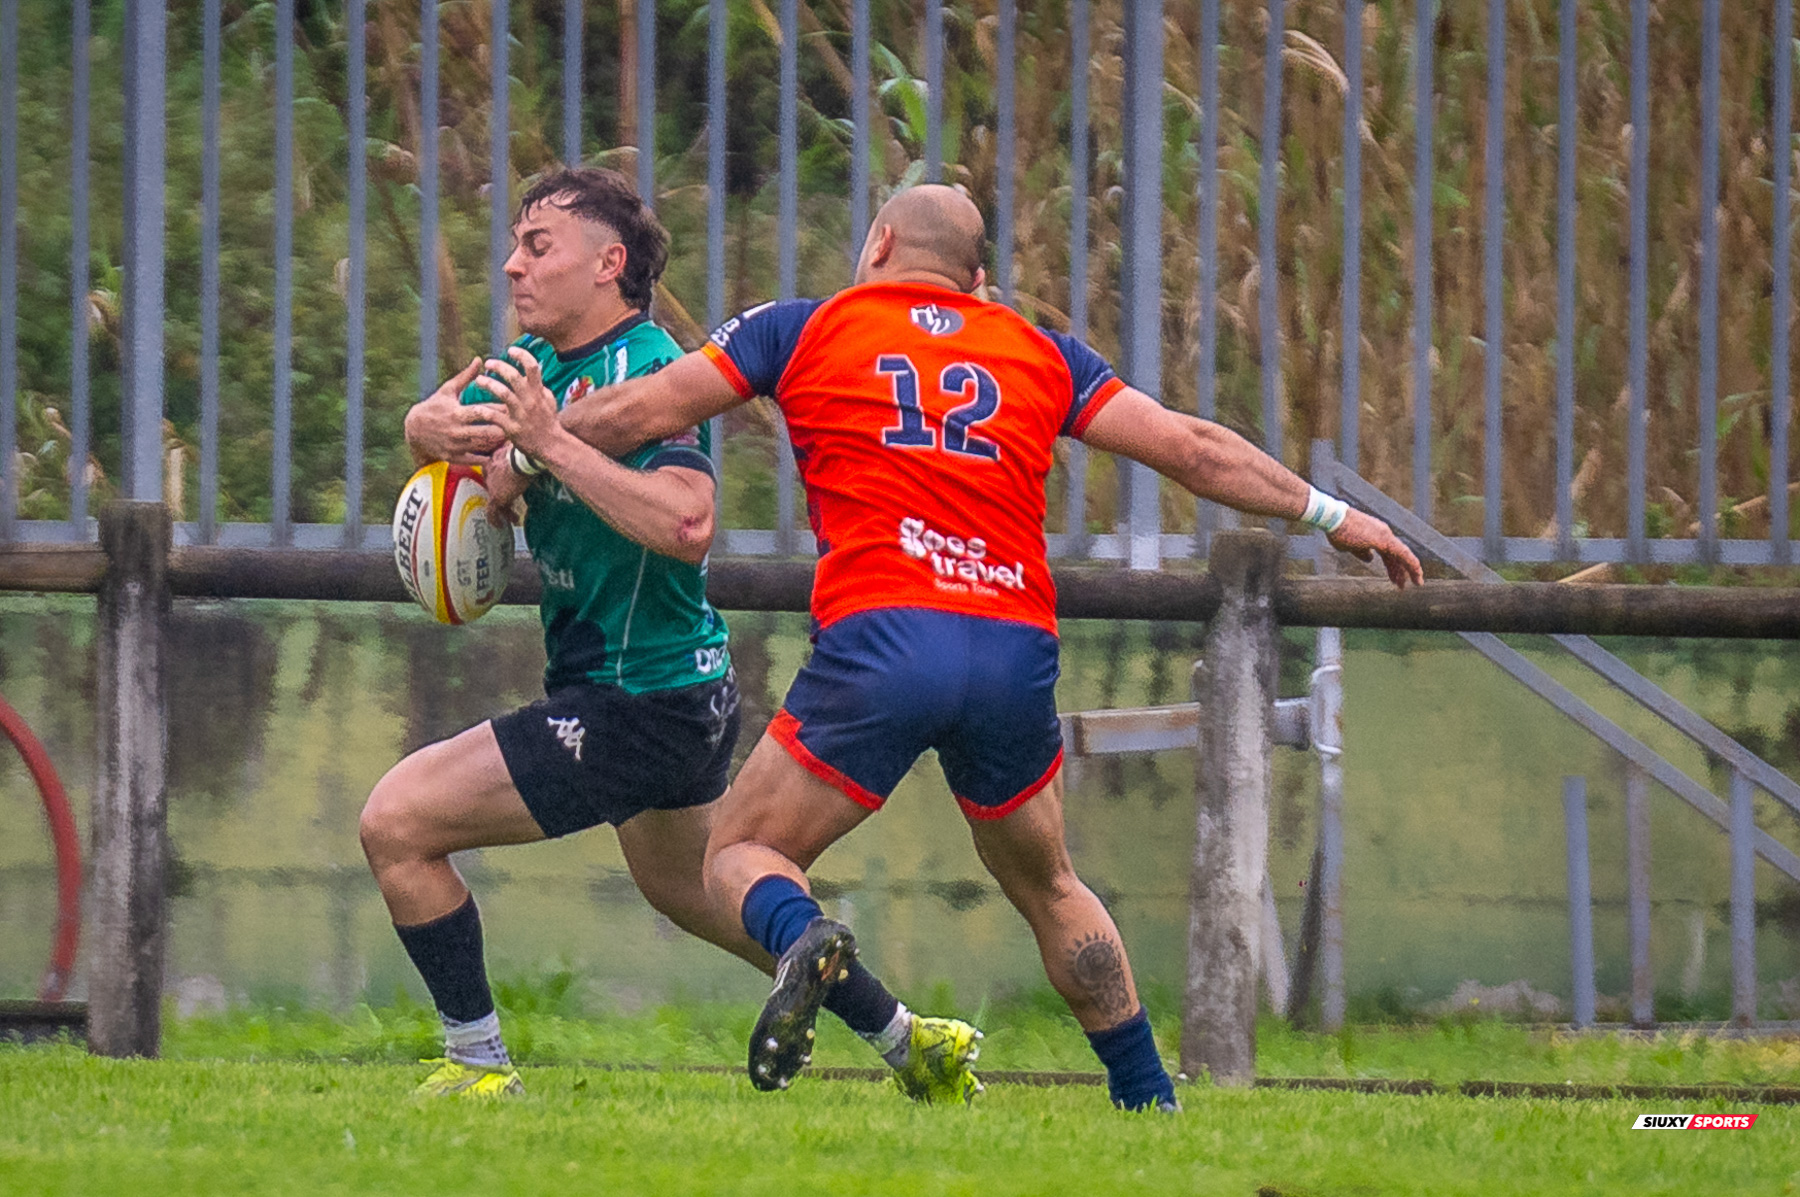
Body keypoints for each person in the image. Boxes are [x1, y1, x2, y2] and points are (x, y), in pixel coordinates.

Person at [564, 184, 1424, 1111]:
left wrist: (530, 437)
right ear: (978, 280)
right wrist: (1335, 515)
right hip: (1013, 646)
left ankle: (805, 938)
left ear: (881, 240)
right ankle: (1148, 1094)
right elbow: (1191, 446)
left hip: (885, 639)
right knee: (1048, 880)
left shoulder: (801, 329)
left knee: (737, 852)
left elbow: (644, 411)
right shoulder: (1037, 351)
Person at [366, 167, 975, 1104]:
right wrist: (429, 423)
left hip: (634, 699)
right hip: (671, 689)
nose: (511, 265)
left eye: (537, 247)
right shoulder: (529, 364)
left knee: (397, 821)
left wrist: (549, 450)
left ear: (608, 264)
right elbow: (435, 425)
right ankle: (910, 1040)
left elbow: (689, 522)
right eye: (514, 246)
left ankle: (477, 1064)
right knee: (700, 894)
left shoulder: (647, 371)